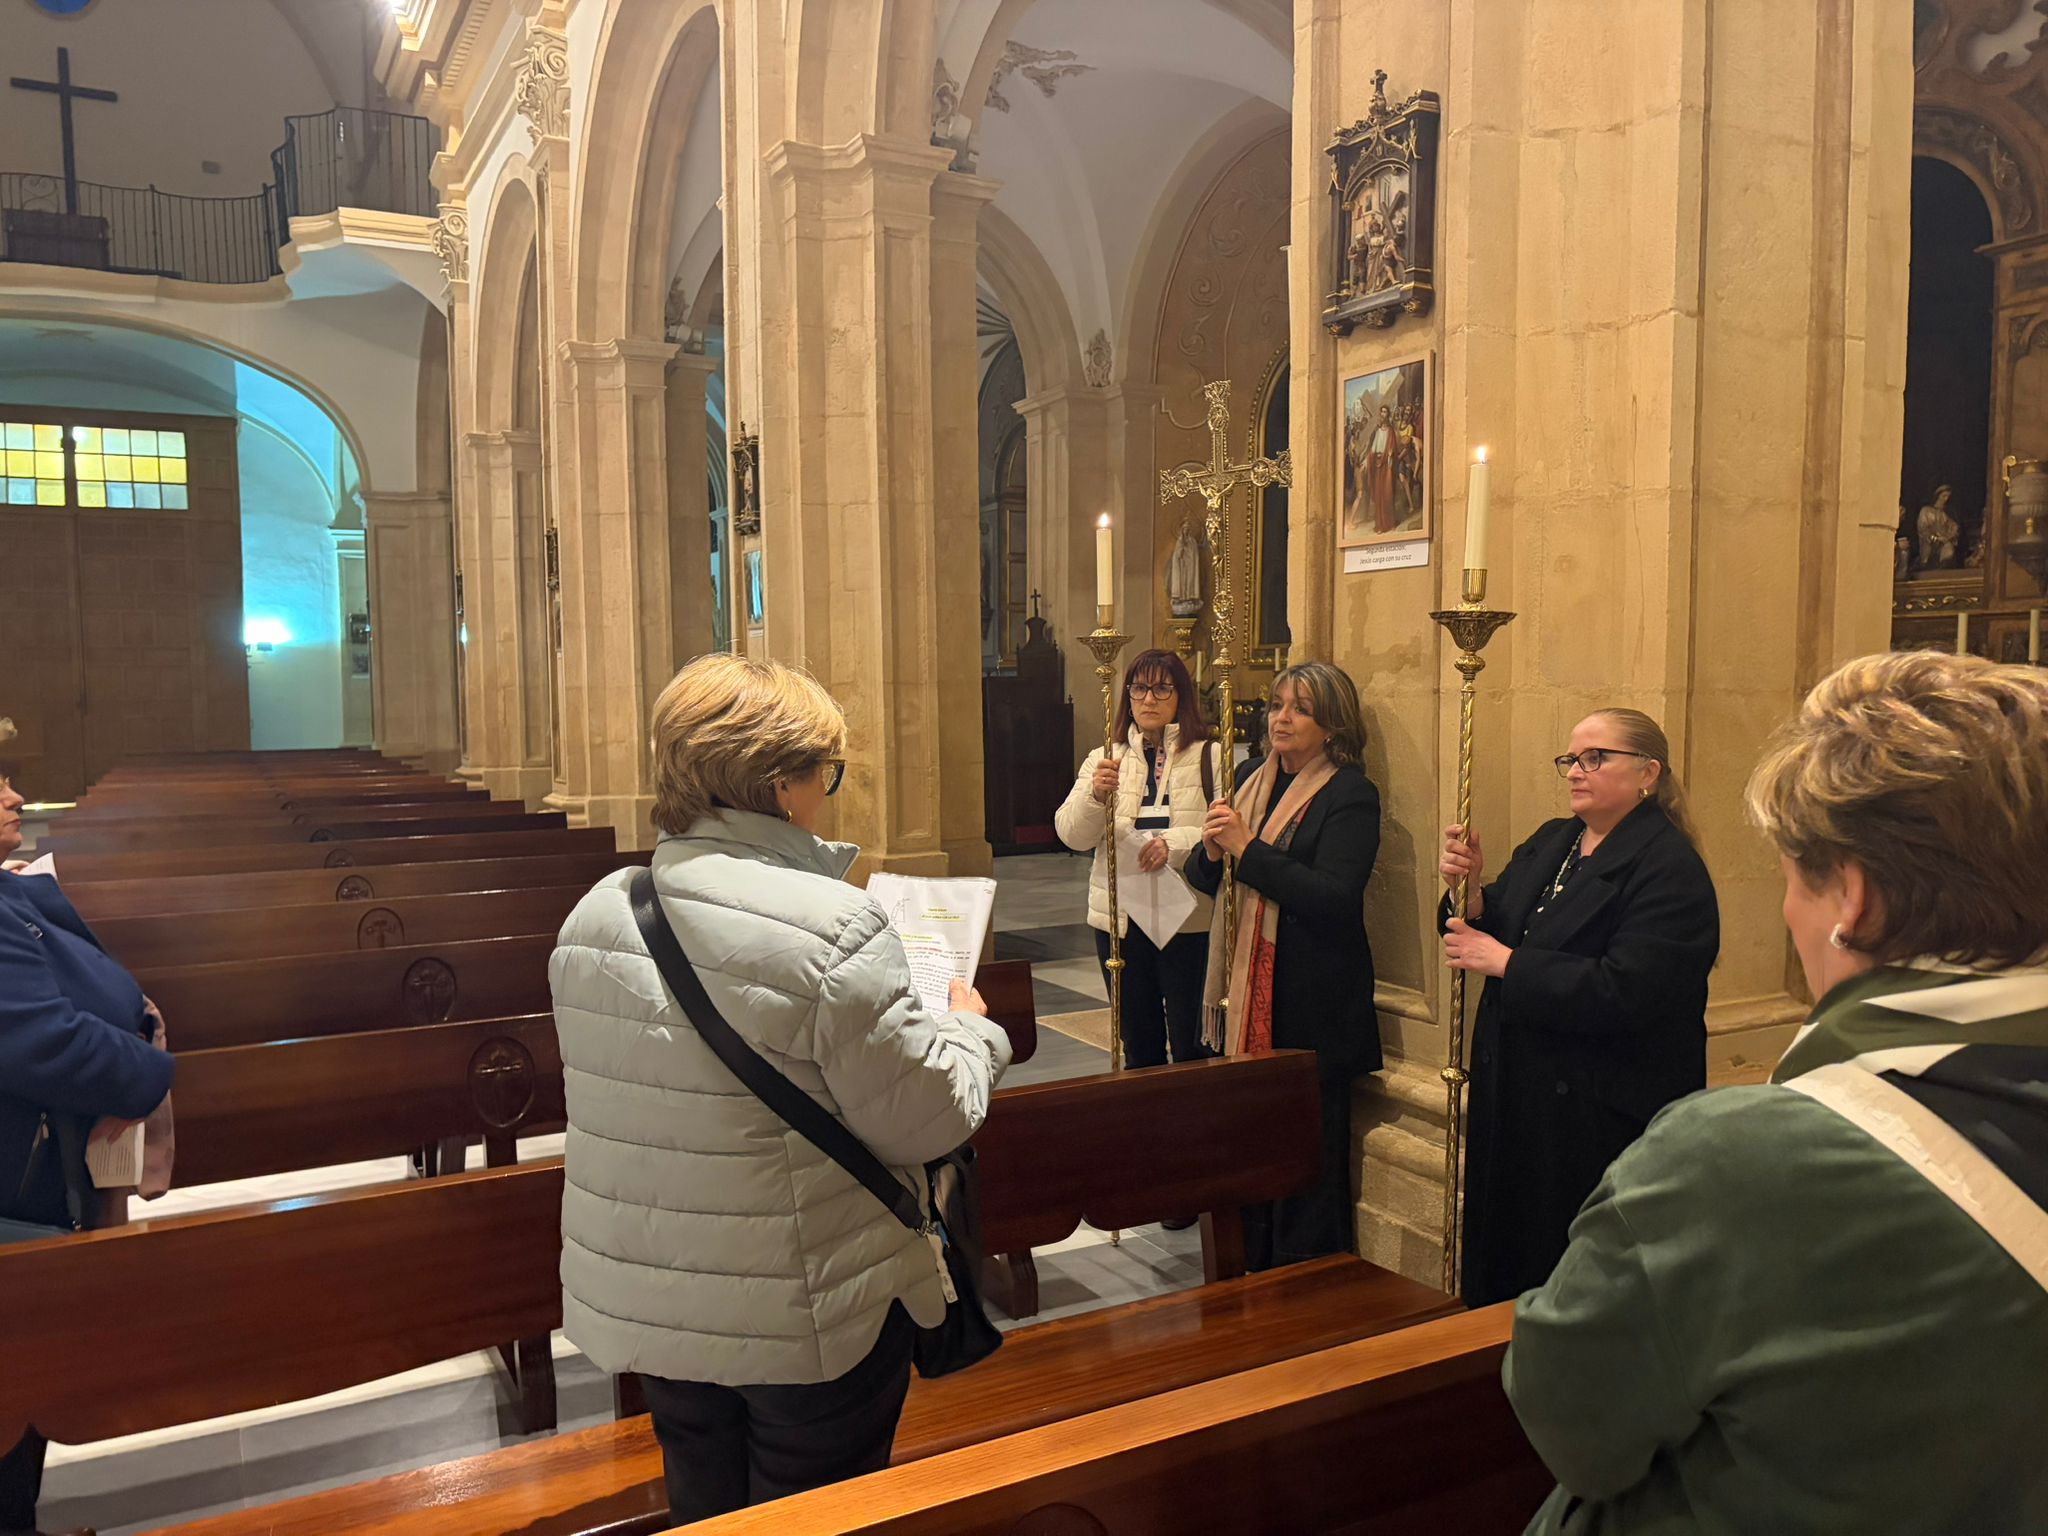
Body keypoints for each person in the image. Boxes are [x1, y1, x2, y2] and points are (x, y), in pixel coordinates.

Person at [1506, 652, 2048, 1534]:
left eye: (1793, 878)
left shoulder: (1734, 1161)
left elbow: (1573, 1425)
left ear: (1852, 899)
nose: (1788, 912)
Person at [549, 654, 1012, 1524]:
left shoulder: (596, 916)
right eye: (824, 772)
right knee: (814, 1513)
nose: (827, 794)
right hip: (806, 1312)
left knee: (704, 1505)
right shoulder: (833, 926)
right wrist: (968, 1030)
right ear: (780, 786)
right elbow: (927, 1120)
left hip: (658, 1305)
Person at [1440, 708, 1718, 1307]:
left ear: (1648, 773)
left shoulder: (1669, 868)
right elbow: (1501, 925)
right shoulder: (1555, 840)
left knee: (1569, 1269)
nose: (1575, 771)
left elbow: (1630, 990)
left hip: (1594, 1108)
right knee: (1504, 1254)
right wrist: (1473, 893)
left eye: (1595, 758)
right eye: (1571, 759)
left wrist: (1509, 964)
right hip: (1519, 1092)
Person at [1, 772, 175, 1536]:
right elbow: (50, 1042)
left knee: (22, 1395)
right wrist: (150, 1064)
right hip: (15, 1195)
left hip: (29, 1186)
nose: (15, 799)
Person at [1186, 660, 1382, 1269]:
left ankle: (1304, 1275)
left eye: (1301, 708)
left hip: (1310, 1003)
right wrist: (1212, 849)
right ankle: (1250, 1259)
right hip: (1246, 995)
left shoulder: (1350, 794)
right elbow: (1206, 877)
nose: (1282, 718)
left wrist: (1247, 849)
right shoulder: (1251, 777)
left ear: (1333, 725)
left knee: (1304, 1152)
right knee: (1249, 1140)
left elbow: (1333, 897)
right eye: (1276, 705)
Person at [1053, 649, 1220, 1069]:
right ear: (1127, 695)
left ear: (1181, 695)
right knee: (1139, 1042)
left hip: (1188, 917)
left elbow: (1227, 826)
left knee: (1193, 1041)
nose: (1149, 699)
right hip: (1121, 919)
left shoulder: (1211, 756)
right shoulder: (1105, 758)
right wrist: (1095, 796)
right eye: (1140, 688)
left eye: (1162, 688)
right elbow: (1072, 835)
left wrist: (1173, 844)